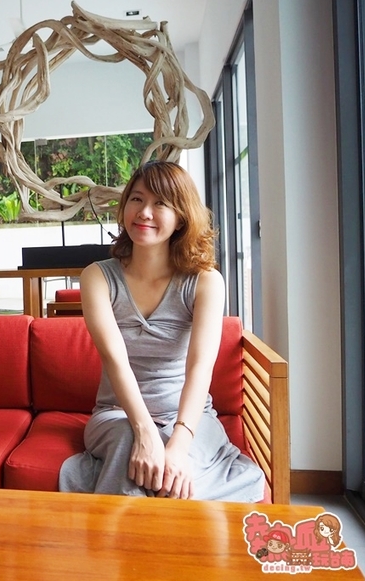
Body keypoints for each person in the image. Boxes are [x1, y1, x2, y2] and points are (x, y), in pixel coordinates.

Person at [58, 160, 265, 501]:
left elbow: (200, 367)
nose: (145, 212)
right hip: (117, 415)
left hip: (190, 418)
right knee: (130, 449)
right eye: (137, 199)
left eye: (161, 203)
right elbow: (115, 361)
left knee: (176, 479)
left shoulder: (206, 282)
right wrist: (144, 432)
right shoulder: (97, 277)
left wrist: (179, 443)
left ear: (181, 217)